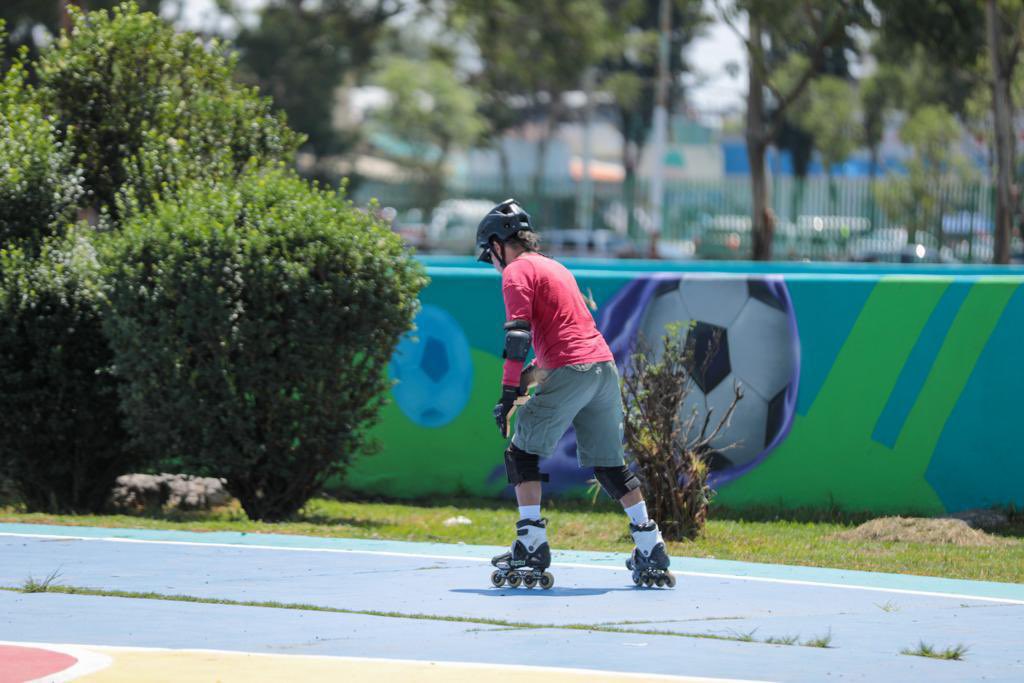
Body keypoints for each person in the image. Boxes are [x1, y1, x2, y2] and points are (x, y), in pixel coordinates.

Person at [477, 199, 674, 589]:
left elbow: (518, 336)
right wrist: (525, 381)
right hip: (603, 369)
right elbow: (568, 345)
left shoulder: (516, 271)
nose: (493, 264)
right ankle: (650, 545)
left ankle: (531, 543)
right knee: (609, 465)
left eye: (490, 256)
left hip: (572, 368)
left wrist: (505, 392)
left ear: (499, 244)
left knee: (522, 453)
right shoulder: (556, 267)